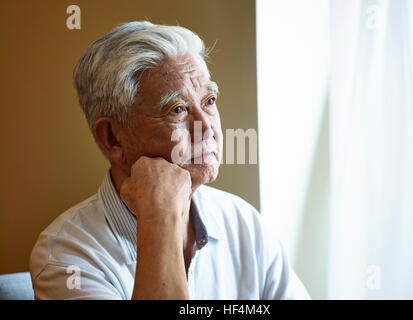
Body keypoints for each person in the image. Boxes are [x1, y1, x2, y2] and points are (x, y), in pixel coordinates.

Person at [29, 21, 310, 300]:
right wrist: (160, 217)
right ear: (113, 138)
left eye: (209, 101)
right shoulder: (66, 257)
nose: (207, 127)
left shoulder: (242, 222)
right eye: (177, 109)